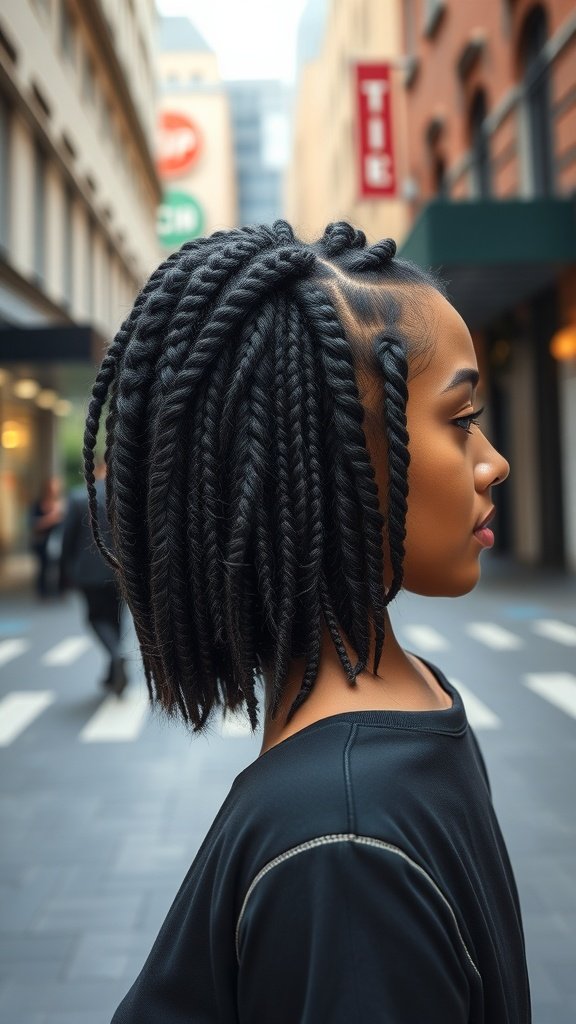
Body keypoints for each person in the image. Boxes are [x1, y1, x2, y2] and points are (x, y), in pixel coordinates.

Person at [83, 221, 531, 1022]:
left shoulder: (342, 839)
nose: (493, 460)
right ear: (339, 457)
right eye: (460, 420)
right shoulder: (362, 801)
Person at [60, 460, 128, 696]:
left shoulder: (79, 497)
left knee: (96, 618)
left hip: (89, 571)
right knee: (116, 619)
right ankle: (113, 671)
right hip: (120, 571)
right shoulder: (123, 497)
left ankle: (115, 655)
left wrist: (62, 574)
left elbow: (67, 539)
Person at [29, 475, 65, 598]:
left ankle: (59, 590)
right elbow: (34, 523)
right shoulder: (38, 504)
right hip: (42, 541)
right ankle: (42, 591)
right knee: (43, 566)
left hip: (58, 540)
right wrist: (52, 518)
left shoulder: (62, 502)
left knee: (61, 566)